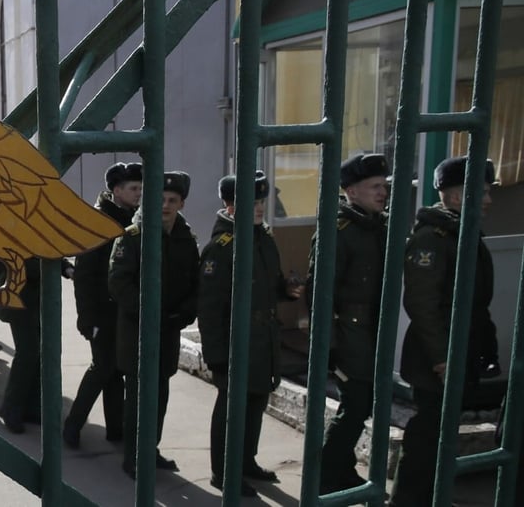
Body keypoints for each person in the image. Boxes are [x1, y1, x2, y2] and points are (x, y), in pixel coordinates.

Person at [389, 156, 501, 507]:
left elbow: (475, 302)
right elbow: (422, 304)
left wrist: (487, 346)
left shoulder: (461, 231)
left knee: (442, 433)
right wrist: (441, 358)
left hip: (460, 349)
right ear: (454, 196)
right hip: (436, 355)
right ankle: (407, 501)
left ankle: (431, 496)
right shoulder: (432, 238)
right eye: (480, 192)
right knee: (427, 434)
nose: (488, 200)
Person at [198, 170, 303, 497]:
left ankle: (246, 461)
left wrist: (287, 289)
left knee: (255, 403)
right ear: (230, 206)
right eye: (251, 203)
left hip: (262, 338)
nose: (259, 208)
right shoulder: (221, 247)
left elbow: (270, 284)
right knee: (231, 409)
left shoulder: (264, 238)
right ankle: (222, 471)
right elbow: (210, 308)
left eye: (260, 201)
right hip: (233, 341)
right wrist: (216, 354)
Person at [306, 153, 389, 493]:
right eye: (374, 187)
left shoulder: (379, 224)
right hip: (349, 330)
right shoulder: (338, 230)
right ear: (351, 192)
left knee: (362, 403)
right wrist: (327, 344)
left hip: (374, 327)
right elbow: (319, 292)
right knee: (355, 404)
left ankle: (343, 471)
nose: (382, 193)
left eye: (384, 186)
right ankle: (324, 479)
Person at [108, 171, 200, 479]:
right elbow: (118, 283)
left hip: (169, 330)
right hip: (138, 331)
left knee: (160, 393)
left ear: (181, 203)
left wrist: (183, 313)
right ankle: (133, 456)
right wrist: (149, 312)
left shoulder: (187, 238)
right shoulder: (133, 236)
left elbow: (194, 284)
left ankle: (152, 449)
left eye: (172, 200)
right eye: (159, 199)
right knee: (137, 396)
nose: (165, 205)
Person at [63, 162, 142, 449]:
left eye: (140, 189)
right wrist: (88, 320)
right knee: (103, 367)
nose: (139, 194)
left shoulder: (132, 220)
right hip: (101, 313)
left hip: (122, 312)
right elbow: (84, 277)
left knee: (116, 369)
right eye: (133, 188)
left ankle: (115, 428)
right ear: (116, 190)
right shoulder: (97, 222)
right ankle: (72, 425)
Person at [0, 257, 74, 433]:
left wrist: (65, 267)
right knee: (27, 354)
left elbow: (49, 249)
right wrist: (56, 266)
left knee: (39, 355)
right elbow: (32, 259)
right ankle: (11, 409)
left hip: (37, 302)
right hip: (19, 300)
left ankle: (31, 407)